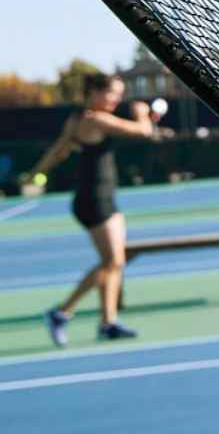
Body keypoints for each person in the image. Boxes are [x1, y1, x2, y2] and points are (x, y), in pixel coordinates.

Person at [28, 73, 166, 345]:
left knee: (116, 262)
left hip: (104, 198)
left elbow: (59, 150)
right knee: (112, 262)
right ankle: (61, 312)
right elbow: (142, 132)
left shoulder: (78, 118)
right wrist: (142, 115)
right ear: (93, 92)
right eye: (112, 93)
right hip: (94, 201)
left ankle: (108, 322)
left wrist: (35, 172)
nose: (117, 99)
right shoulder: (95, 119)